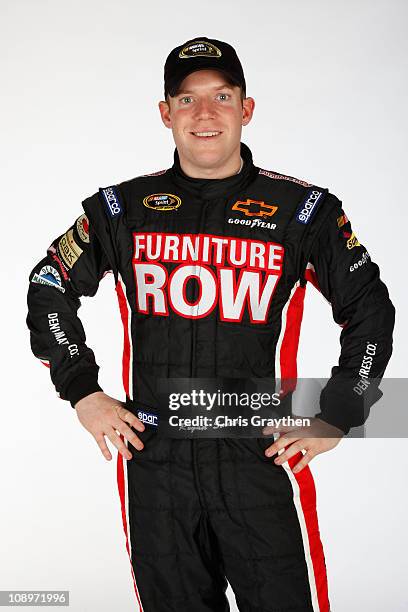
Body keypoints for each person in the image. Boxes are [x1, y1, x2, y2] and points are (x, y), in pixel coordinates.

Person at [27, 36, 395, 612]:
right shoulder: (121, 209)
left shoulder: (304, 212)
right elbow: (48, 286)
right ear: (165, 113)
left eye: (221, 96)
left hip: (260, 456)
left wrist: (340, 413)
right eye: (187, 99)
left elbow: (369, 309)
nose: (204, 114)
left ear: (246, 109)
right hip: (156, 461)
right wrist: (82, 392)